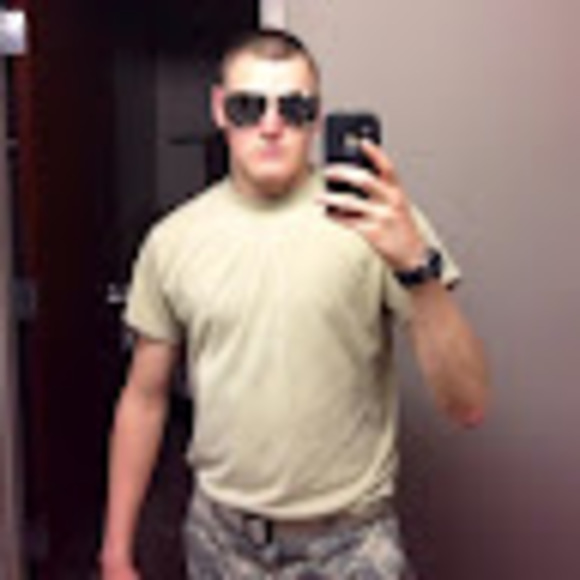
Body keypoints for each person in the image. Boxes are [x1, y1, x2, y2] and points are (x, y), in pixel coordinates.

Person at [100, 28, 489, 580]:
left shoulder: (380, 222)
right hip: (219, 542)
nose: (271, 125)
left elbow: (468, 405)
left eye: (294, 107)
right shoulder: (173, 241)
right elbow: (144, 398)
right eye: (248, 106)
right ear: (219, 109)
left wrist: (417, 268)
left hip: (351, 547)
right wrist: (115, 552)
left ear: (317, 116)